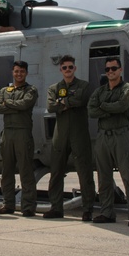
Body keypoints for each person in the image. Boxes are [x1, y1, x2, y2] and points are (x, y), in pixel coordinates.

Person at [87, 56, 129, 227]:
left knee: (127, 175)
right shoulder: (100, 91)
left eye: (113, 68)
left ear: (120, 70)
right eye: (108, 69)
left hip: (120, 135)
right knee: (103, 177)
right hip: (103, 136)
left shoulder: (128, 88)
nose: (110, 72)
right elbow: (91, 110)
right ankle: (106, 212)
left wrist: (103, 107)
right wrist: (109, 108)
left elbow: (122, 106)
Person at [43, 55, 96, 220]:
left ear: (75, 68)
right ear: (60, 69)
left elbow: (82, 99)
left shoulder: (84, 85)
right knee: (56, 171)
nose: (67, 70)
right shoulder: (54, 88)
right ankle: (56, 208)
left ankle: (88, 208)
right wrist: (69, 102)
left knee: (84, 172)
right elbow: (51, 106)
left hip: (79, 133)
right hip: (61, 134)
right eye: (64, 67)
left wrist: (63, 103)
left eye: (70, 67)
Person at [0, 60, 38, 217]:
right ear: (12, 72)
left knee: (25, 170)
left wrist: (8, 104)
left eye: (22, 71)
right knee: (6, 171)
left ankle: (28, 206)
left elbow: (25, 104)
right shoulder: (5, 89)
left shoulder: (31, 90)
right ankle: (8, 204)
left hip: (22, 133)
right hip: (7, 133)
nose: (19, 74)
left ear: (26, 73)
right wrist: (14, 106)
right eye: (16, 71)